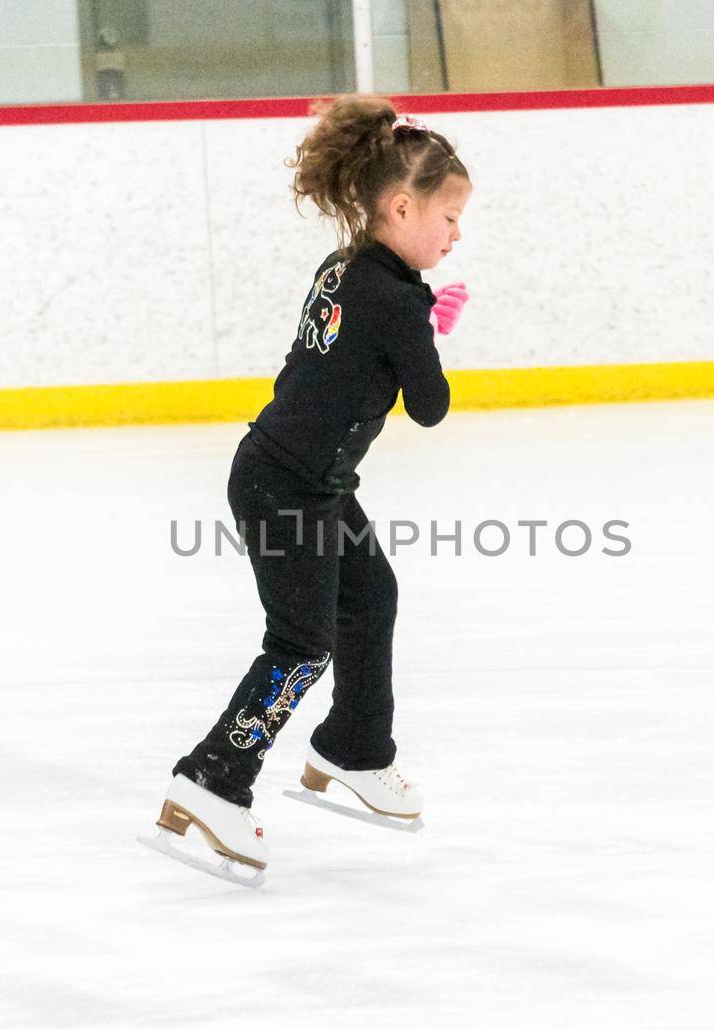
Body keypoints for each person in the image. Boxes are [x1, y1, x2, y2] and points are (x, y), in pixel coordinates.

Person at [145, 94, 472, 882]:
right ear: (401, 206)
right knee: (300, 645)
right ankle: (213, 778)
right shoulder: (398, 299)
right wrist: (431, 331)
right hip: (290, 488)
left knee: (371, 595)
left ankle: (354, 747)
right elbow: (430, 407)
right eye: (450, 216)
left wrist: (420, 323)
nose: (457, 234)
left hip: (294, 476)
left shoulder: (346, 265)